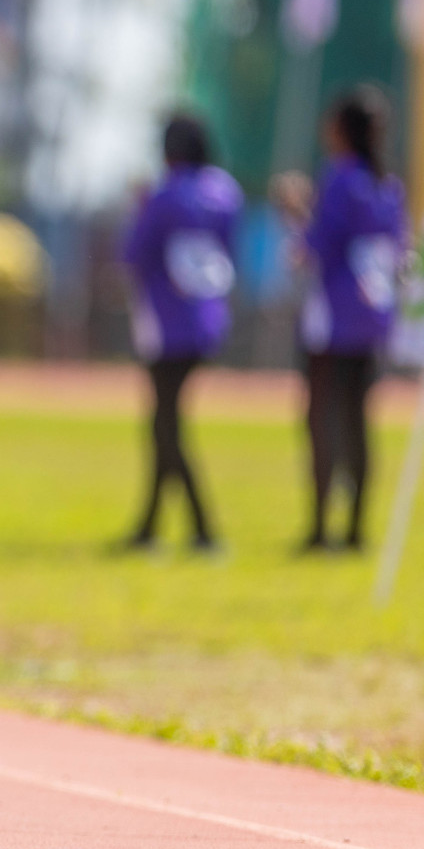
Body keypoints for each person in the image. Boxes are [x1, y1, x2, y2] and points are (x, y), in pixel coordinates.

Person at [285, 87, 407, 552]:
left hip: (333, 319)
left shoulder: (340, 179)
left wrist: (297, 217)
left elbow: (316, 248)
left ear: (343, 131)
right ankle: (356, 528)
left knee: (322, 420)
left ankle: (320, 528)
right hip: (374, 319)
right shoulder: (387, 186)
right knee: (359, 421)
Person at [120, 114, 241, 552]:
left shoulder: (165, 194)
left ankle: (202, 530)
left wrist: (140, 207)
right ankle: (150, 528)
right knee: (165, 422)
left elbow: (133, 252)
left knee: (165, 426)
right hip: (209, 318)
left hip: (167, 321)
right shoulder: (226, 193)